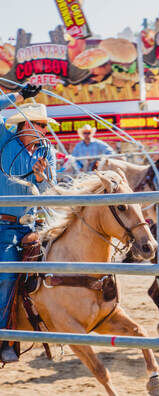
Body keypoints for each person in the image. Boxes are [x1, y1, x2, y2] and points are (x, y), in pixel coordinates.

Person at [0, 85, 57, 363]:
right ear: (24, 125)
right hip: (4, 226)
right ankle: (3, 338)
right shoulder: (3, 138)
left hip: (33, 225)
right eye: (40, 125)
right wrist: (19, 97)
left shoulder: (47, 153)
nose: (44, 131)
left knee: (61, 266)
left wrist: (41, 177)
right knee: (8, 276)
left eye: (45, 126)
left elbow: (52, 193)